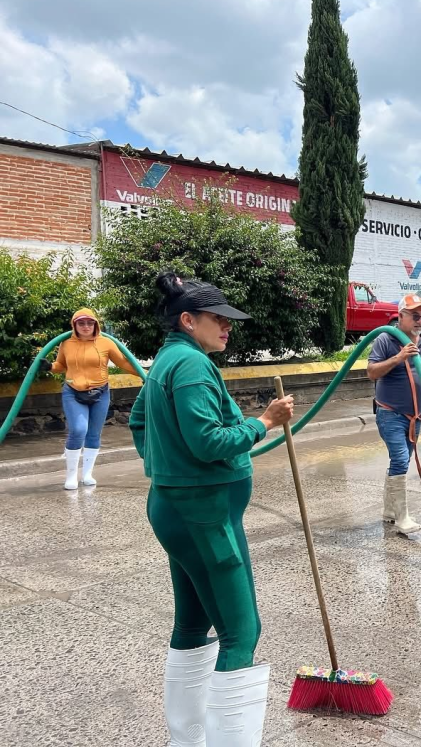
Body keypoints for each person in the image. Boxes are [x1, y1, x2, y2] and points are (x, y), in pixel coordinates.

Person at [129, 272, 294, 746]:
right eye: (218, 319)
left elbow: (140, 422)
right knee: (242, 632)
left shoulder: (168, 360)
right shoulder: (193, 366)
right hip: (205, 517)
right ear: (187, 319)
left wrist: (167, 466)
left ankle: (189, 740)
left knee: (192, 624)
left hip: (176, 508)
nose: (227, 327)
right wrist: (263, 422)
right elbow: (207, 441)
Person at [367, 293, 421, 536]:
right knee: (401, 459)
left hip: (416, 416)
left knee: (401, 461)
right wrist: (399, 357)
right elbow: (371, 372)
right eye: (414, 315)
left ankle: (389, 511)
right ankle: (402, 517)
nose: (419, 320)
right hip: (389, 412)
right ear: (400, 316)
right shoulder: (385, 339)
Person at [39, 308, 143, 491]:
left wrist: (145, 374)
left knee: (94, 434)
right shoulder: (66, 343)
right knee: (79, 430)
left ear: (95, 324)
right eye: (81, 323)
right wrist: (49, 366)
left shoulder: (106, 343)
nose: (86, 326)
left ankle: (87, 474)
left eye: (89, 323)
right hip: (73, 392)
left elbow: (123, 363)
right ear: (74, 325)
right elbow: (61, 365)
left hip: (100, 392)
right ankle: (71, 475)